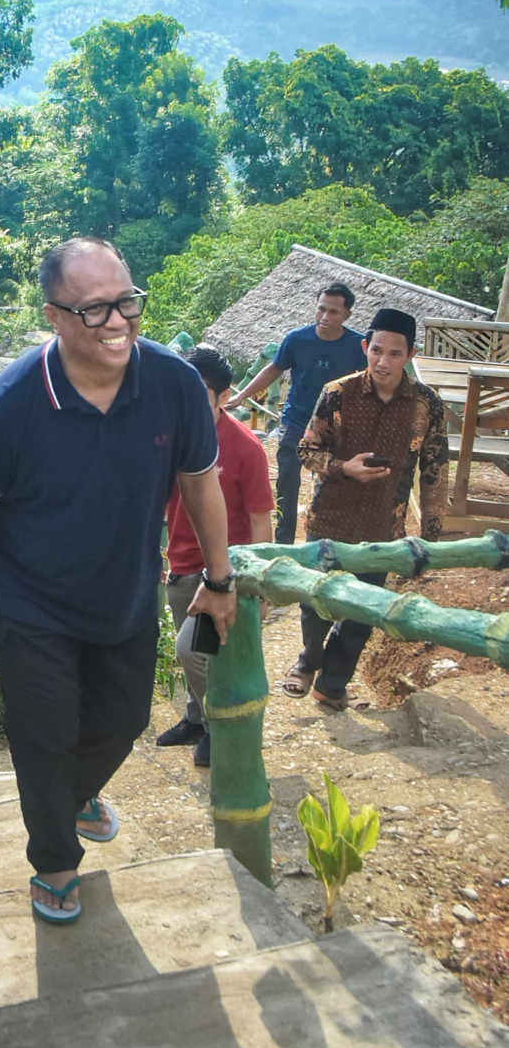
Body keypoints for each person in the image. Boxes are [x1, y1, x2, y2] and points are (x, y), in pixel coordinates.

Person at [0, 237, 237, 926]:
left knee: (126, 718)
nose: (118, 321)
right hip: (30, 602)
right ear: (54, 316)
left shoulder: (172, 385)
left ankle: (70, 796)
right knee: (44, 736)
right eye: (96, 309)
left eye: (127, 302)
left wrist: (219, 578)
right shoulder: (11, 405)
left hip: (127, 593)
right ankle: (53, 862)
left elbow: (201, 482)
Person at [282, 307, 449, 712]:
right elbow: (307, 449)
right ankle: (308, 660)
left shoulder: (427, 405)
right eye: (376, 351)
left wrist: (430, 535)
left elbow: (435, 469)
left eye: (394, 353)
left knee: (364, 611)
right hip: (330, 519)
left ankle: (332, 684)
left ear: (410, 354)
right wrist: (344, 468)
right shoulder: (337, 392)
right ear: (364, 347)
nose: (382, 361)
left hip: (383, 526)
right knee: (315, 600)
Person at [157, 345, 276, 767]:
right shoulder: (169, 435)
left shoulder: (245, 448)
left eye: (199, 393)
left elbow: (261, 520)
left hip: (223, 572)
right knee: (194, 654)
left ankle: (219, 726)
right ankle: (195, 717)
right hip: (181, 564)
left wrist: (261, 586)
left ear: (224, 397)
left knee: (193, 650)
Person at [230, 283, 366, 544]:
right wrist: (241, 396)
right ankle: (283, 543)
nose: (325, 317)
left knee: (333, 482)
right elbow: (274, 369)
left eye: (334, 312)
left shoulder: (356, 346)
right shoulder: (297, 339)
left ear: (347, 315)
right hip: (296, 422)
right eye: (321, 309)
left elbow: (366, 384)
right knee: (287, 483)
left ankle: (325, 541)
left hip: (336, 427)